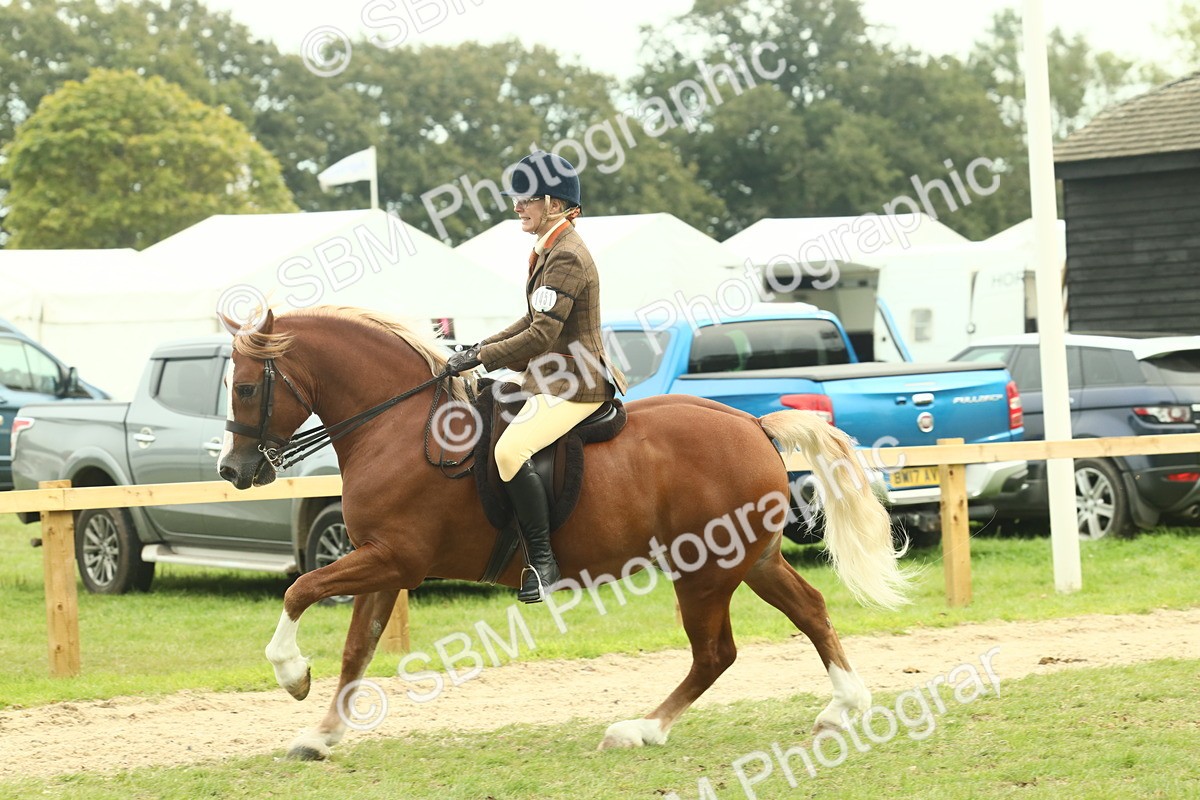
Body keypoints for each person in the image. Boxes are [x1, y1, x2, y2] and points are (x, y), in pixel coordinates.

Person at [446, 151, 627, 603]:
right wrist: (473, 349)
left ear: (553, 202)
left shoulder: (566, 255)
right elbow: (528, 320)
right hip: (552, 377)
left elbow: (541, 337)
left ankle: (543, 562)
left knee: (510, 450)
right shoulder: (548, 249)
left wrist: (480, 359)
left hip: (577, 381)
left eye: (525, 199)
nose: (516, 206)